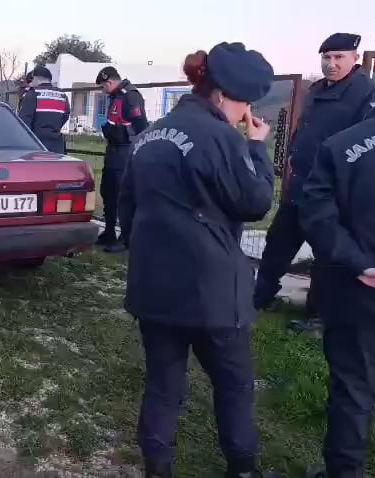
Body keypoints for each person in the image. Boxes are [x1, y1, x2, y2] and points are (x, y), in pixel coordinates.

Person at [119, 42, 280, 478]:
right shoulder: (221, 137)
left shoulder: (150, 134)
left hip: (155, 286)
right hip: (212, 293)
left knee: (162, 385)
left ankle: (157, 469)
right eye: (246, 102)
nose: (246, 113)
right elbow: (255, 200)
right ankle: (242, 469)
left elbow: (127, 212)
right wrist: (258, 148)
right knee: (233, 385)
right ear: (224, 95)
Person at [254, 33, 375, 331]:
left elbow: (364, 145)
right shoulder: (316, 90)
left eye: (338, 58)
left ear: (355, 59)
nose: (331, 64)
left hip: (333, 192)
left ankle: (320, 316)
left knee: (327, 255)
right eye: (326, 57)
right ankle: (259, 297)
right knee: (278, 243)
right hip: (301, 186)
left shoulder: (366, 93)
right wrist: (294, 152)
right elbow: (305, 128)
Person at [299, 104, 375, 478]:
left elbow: (317, 215)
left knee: (353, 386)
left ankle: (344, 472)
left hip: (357, 287)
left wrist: (359, 262)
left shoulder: (341, 145)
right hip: (358, 282)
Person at [95, 66, 149, 253]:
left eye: (103, 86)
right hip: (113, 151)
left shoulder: (130, 96)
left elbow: (141, 125)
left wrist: (124, 136)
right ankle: (109, 232)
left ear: (110, 81)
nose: (102, 90)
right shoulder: (116, 97)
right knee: (108, 192)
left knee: (122, 196)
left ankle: (126, 238)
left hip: (125, 152)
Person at [18, 65, 70, 154]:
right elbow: (66, 115)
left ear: (36, 79)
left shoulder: (33, 94)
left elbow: (24, 122)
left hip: (37, 144)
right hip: (56, 145)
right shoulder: (62, 95)